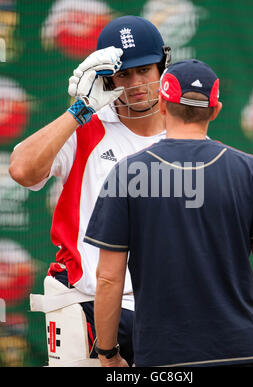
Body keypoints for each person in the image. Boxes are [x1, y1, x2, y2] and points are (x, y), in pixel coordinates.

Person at [85, 59, 253, 367]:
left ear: (164, 106)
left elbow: (108, 279)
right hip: (244, 351)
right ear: (216, 110)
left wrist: (109, 354)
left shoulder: (128, 173)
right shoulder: (248, 170)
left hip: (164, 357)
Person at [9, 15, 171, 366]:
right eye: (124, 73)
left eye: (145, 70)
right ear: (105, 76)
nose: (136, 83)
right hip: (85, 303)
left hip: (164, 308)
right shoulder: (86, 127)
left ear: (163, 66)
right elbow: (21, 169)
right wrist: (79, 109)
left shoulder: (184, 134)